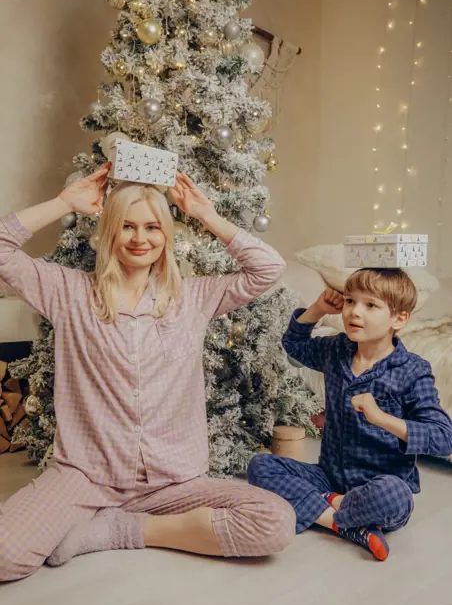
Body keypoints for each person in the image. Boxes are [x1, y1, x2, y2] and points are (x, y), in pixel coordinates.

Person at [0, 166, 296, 582]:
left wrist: (206, 215)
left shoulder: (193, 298)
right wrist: (64, 203)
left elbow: (267, 267)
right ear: (109, 232)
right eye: (127, 226)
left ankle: (120, 528)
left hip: (173, 484)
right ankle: (99, 514)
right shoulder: (67, 292)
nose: (140, 238)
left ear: (166, 236)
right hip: (86, 478)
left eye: (153, 227)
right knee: (4, 554)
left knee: (274, 522)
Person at [248, 268, 452, 561]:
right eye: (349, 301)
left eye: (371, 305)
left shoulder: (412, 370)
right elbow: (293, 345)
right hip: (329, 478)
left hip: (380, 484)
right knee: (260, 467)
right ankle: (344, 523)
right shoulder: (336, 349)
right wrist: (318, 309)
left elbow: (445, 438)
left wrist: (381, 417)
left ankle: (324, 509)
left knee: (395, 497)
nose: (355, 312)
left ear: (399, 318)